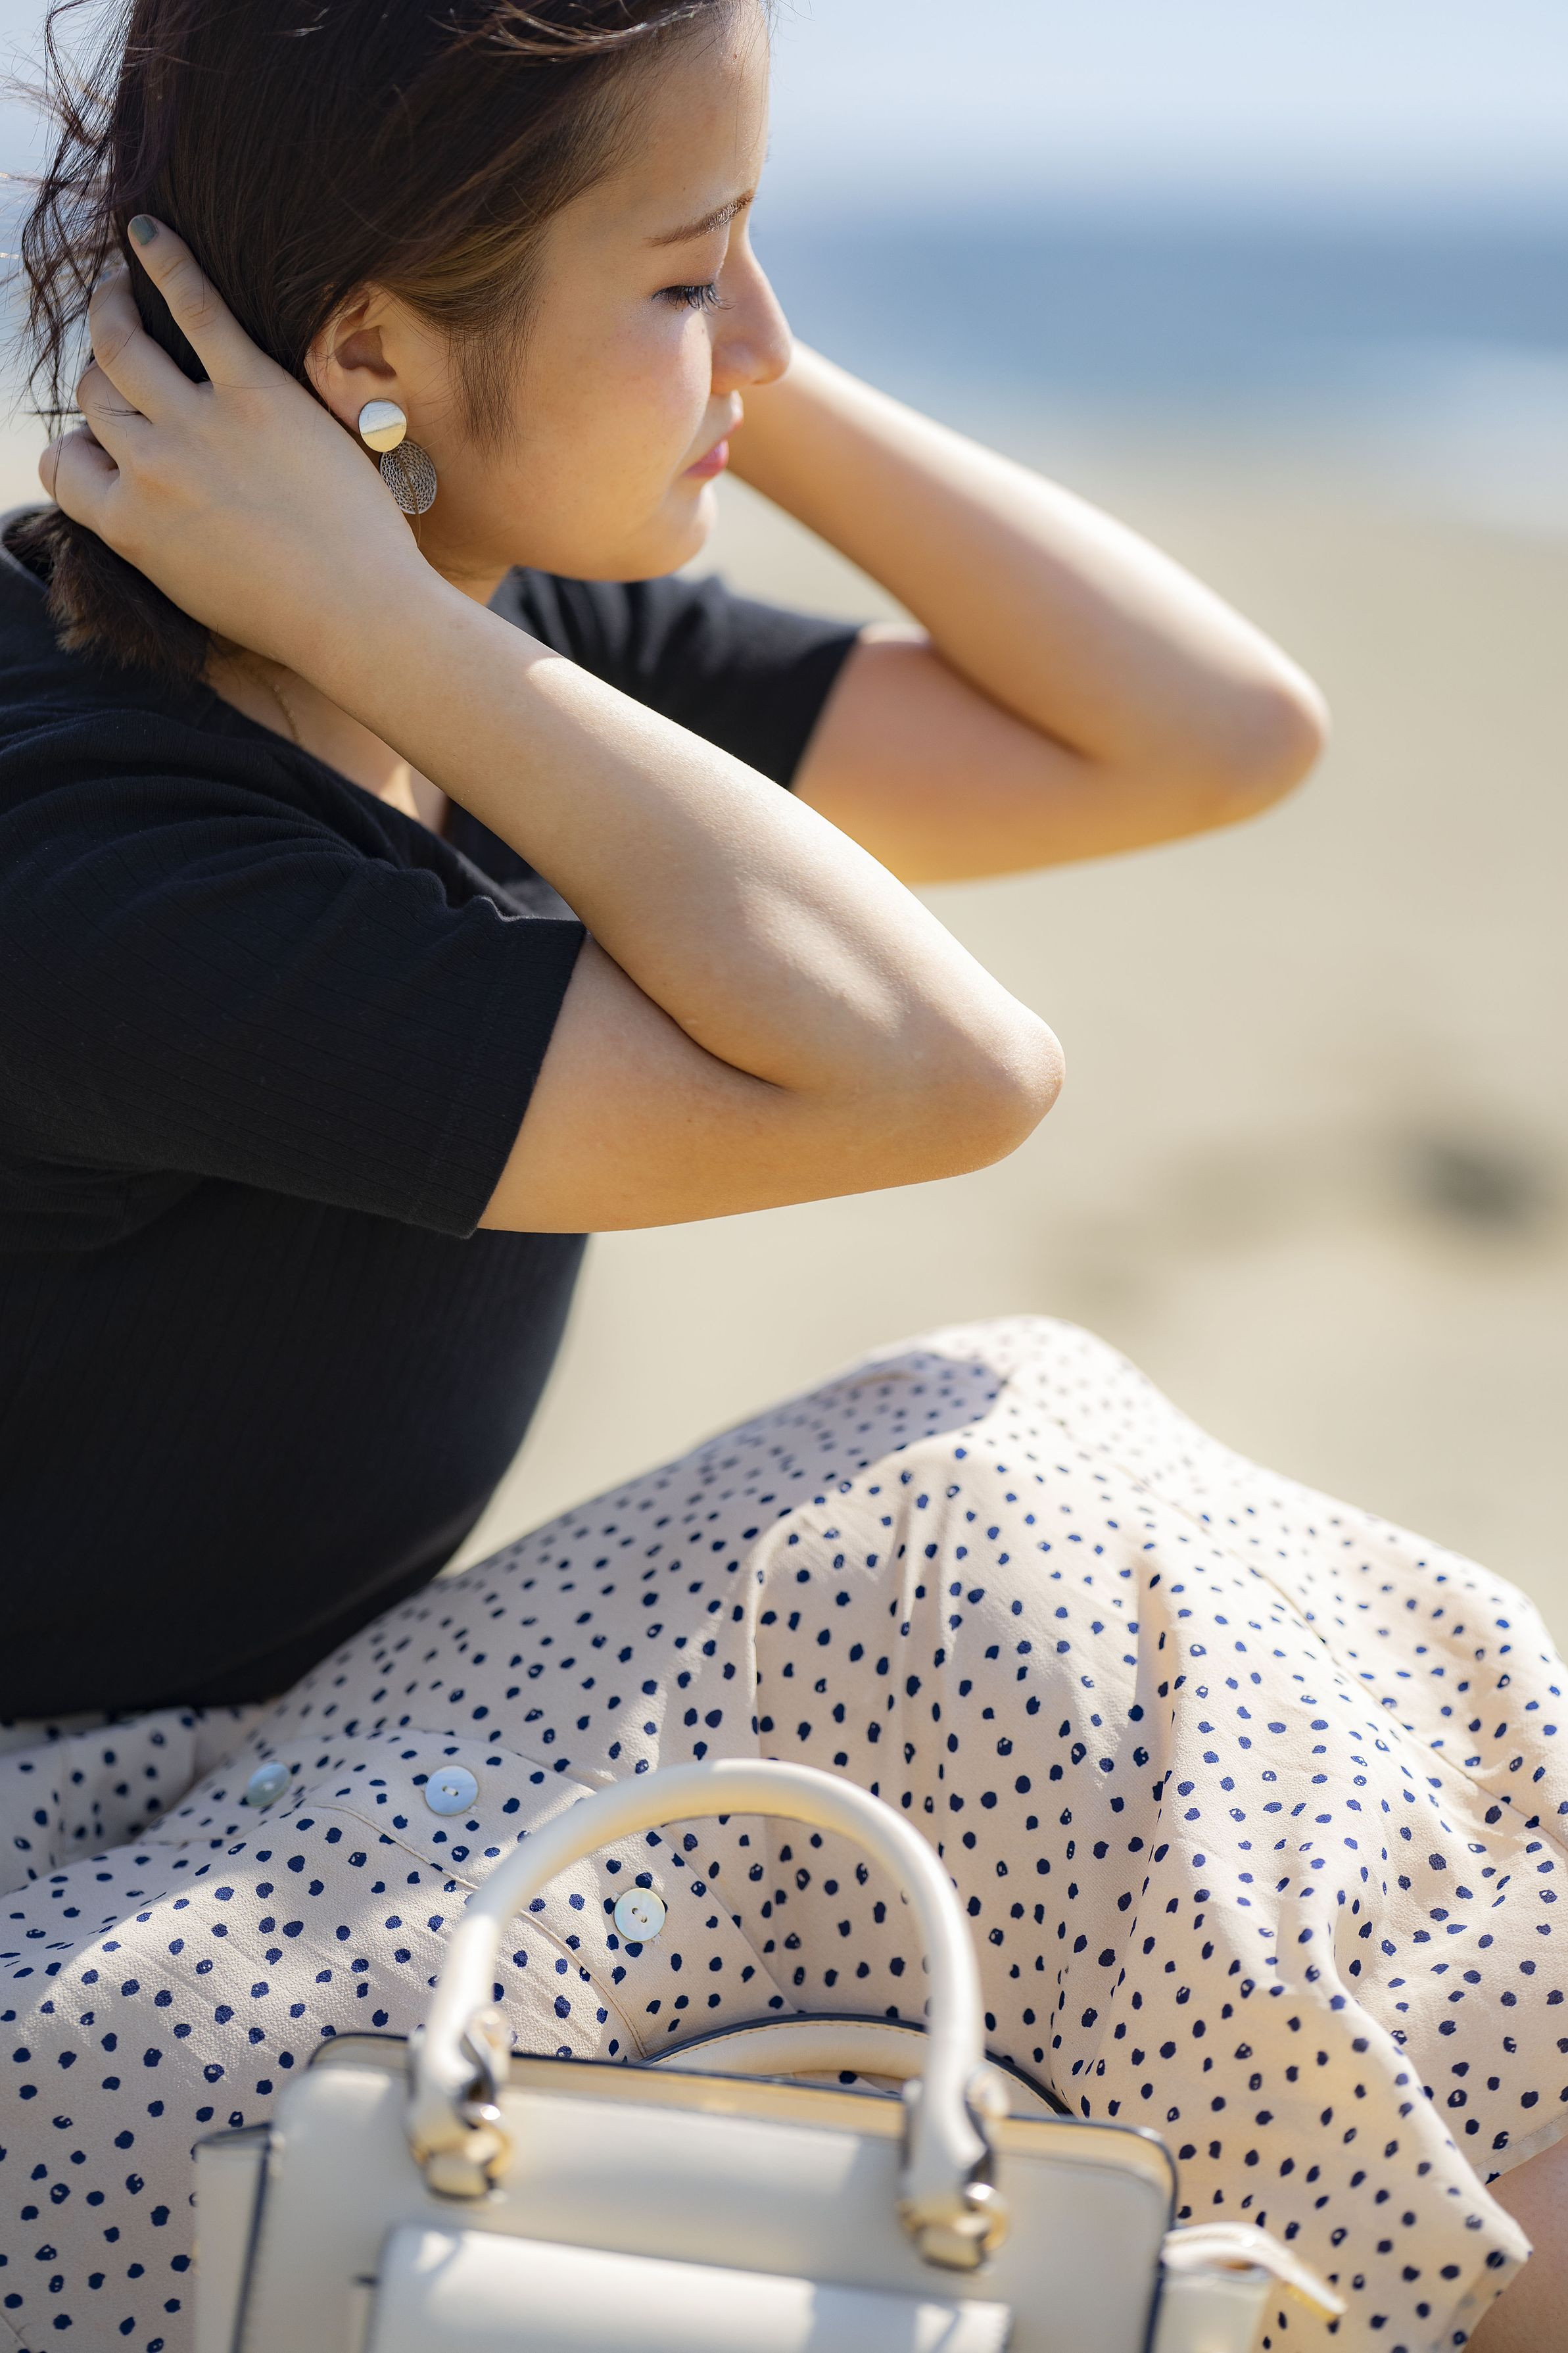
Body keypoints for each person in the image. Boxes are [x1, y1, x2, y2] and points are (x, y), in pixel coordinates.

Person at [0, 1, 1560, 2346]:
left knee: (1138, 1660)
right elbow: (942, 1072)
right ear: (372, 351)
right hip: (81, 1951)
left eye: (758, 243)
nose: (753, 334)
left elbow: (1208, 732)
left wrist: (710, 367)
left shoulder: (479, 647)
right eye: (681, 274)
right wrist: (389, 607)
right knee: (979, 1522)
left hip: (307, 1816)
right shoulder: (102, 854)